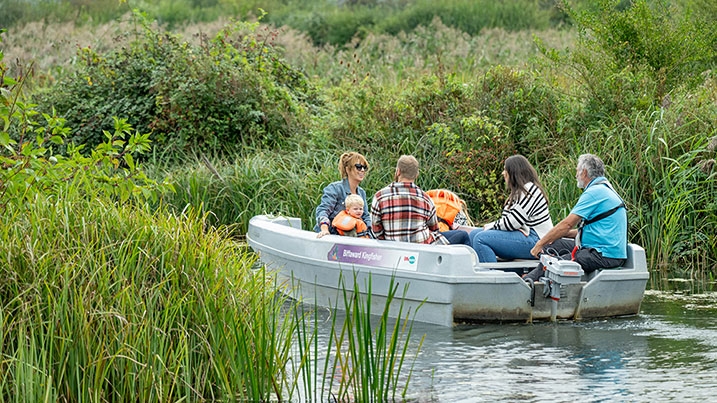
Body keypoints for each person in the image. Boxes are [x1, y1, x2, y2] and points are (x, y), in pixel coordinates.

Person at [525, 153, 627, 281]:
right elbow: (593, 230)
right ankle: (537, 277)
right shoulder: (605, 188)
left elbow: (567, 224)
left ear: (584, 172)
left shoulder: (594, 192)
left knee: (554, 262)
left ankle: (525, 284)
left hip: (604, 255)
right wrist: (557, 236)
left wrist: (539, 244)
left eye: (577, 171)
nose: (576, 175)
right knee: (554, 244)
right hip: (603, 250)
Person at [468, 155, 553, 262]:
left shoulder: (530, 190)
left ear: (514, 172)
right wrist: (492, 227)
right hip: (525, 234)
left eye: (505, 170)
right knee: (473, 234)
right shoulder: (519, 192)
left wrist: (491, 226)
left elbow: (513, 223)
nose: (503, 173)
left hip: (538, 240)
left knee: (480, 239)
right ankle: (488, 268)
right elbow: (507, 221)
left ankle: (491, 275)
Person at [370, 155, 470, 245]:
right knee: (463, 235)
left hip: (393, 248)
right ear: (416, 175)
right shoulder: (425, 198)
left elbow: (376, 231)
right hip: (422, 247)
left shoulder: (379, 197)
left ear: (398, 171)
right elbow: (434, 229)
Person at [315, 152, 372, 238]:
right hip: (333, 237)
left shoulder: (362, 193)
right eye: (358, 167)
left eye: (365, 167)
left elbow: (366, 217)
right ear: (347, 169)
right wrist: (324, 230)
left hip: (353, 239)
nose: (362, 170)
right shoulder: (334, 188)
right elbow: (322, 211)